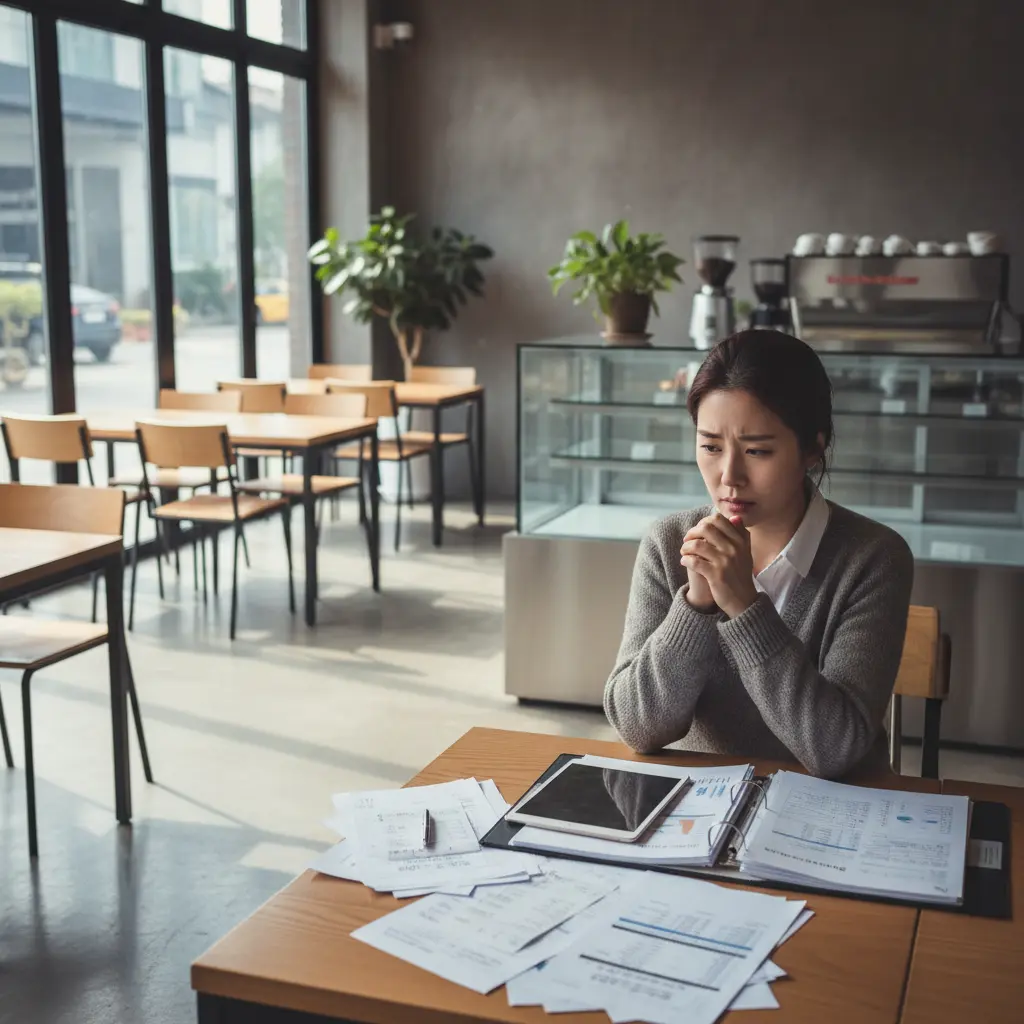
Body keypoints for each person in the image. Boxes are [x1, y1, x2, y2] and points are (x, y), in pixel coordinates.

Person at [604, 330, 913, 778]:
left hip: (824, 819)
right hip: (699, 814)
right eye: (710, 446)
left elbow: (837, 751)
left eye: (757, 451)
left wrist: (744, 607)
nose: (730, 476)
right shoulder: (669, 543)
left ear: (813, 447)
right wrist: (697, 604)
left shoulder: (873, 559)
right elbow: (638, 727)